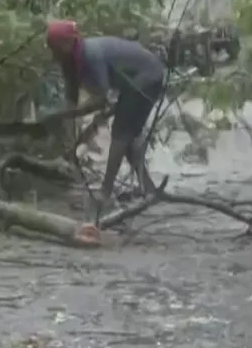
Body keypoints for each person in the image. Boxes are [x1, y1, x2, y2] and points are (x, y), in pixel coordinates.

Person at [46, 20, 165, 221]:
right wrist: (68, 142)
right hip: (132, 80)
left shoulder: (90, 55)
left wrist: (90, 127)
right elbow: (71, 103)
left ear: (67, 44)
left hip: (147, 75)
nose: (53, 54)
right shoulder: (69, 61)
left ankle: (105, 192)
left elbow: (102, 96)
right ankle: (149, 189)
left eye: (54, 48)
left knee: (120, 133)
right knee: (128, 137)